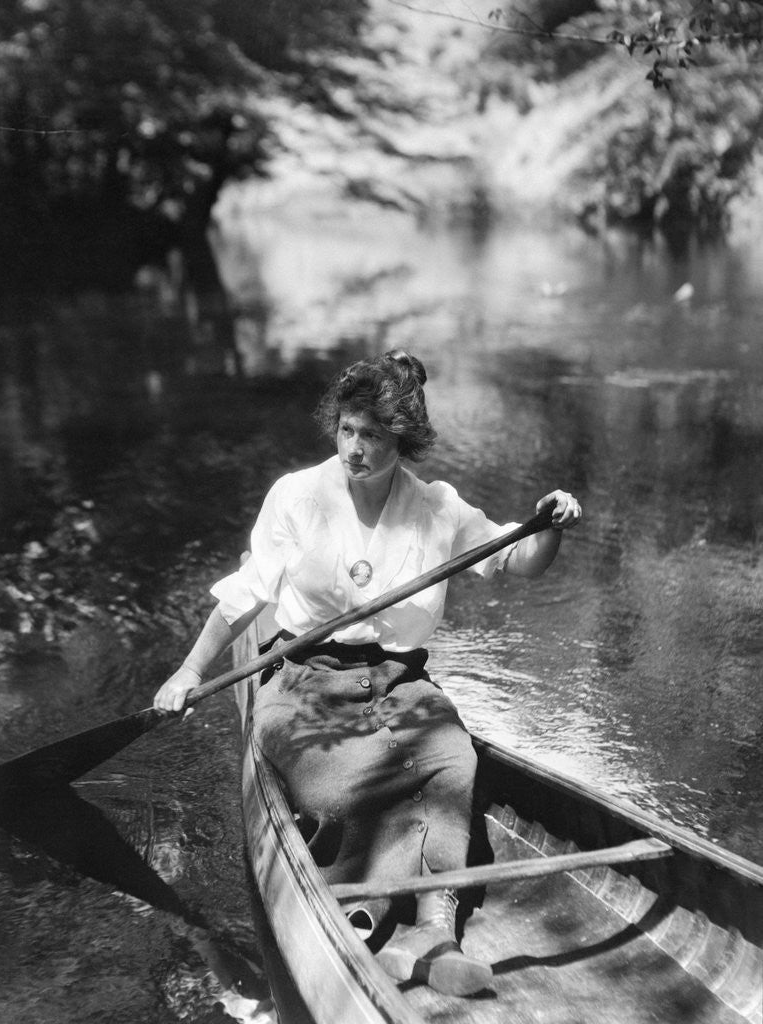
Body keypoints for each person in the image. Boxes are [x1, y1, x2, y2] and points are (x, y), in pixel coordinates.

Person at [153, 350, 582, 996]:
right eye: (347, 430)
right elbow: (245, 597)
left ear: (401, 440)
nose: (354, 448)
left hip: (399, 685)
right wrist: (187, 671)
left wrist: (549, 524)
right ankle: (368, 910)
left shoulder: (437, 508)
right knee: (336, 786)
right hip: (302, 679)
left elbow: (519, 559)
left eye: (373, 436)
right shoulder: (297, 496)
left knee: (451, 761)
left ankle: (431, 929)